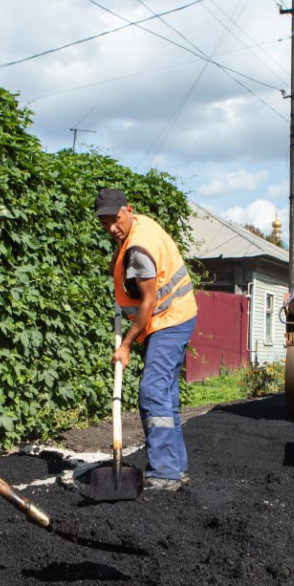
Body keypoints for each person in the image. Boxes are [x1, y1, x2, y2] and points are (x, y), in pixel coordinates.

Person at [95, 189, 197, 491]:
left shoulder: (138, 247)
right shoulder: (138, 227)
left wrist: (125, 345)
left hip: (169, 320)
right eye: (104, 222)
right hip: (176, 316)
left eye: (115, 218)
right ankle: (176, 469)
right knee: (164, 394)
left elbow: (149, 301)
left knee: (152, 392)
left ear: (127, 210)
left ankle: (164, 474)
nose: (112, 226)